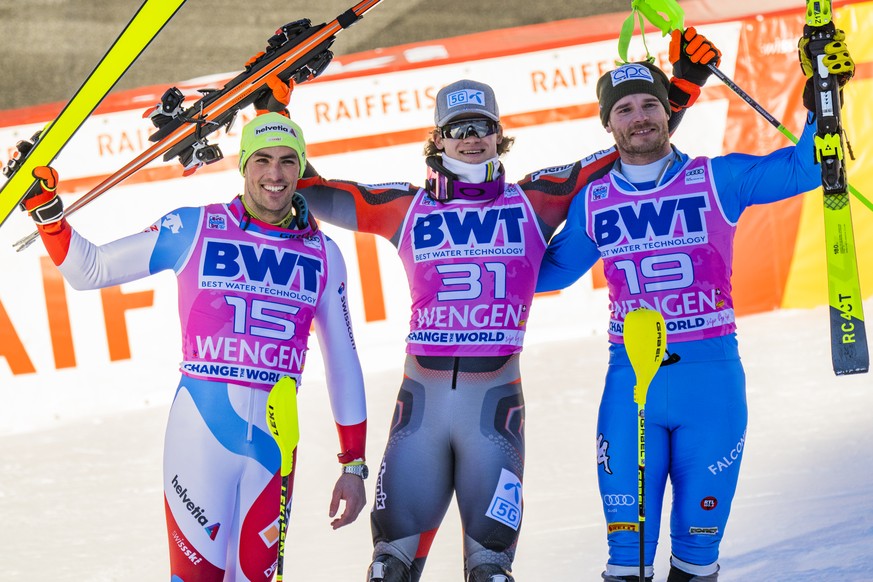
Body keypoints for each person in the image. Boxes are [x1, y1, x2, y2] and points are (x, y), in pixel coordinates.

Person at [284, 29, 720, 582]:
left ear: (499, 137)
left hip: (496, 416)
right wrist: (275, 103)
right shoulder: (404, 207)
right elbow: (304, 187)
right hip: (418, 413)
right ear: (438, 140)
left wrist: (680, 86)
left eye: (483, 128)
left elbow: (633, 142)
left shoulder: (535, 198)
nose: (472, 139)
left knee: (490, 571)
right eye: (459, 129)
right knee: (388, 569)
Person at [534, 30, 855, 582]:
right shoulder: (595, 201)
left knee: (695, 562)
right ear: (608, 125)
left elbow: (806, 168)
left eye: (650, 104)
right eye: (626, 109)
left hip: (712, 386)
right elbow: (542, 275)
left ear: (667, 112)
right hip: (631, 388)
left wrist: (822, 90)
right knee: (627, 564)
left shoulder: (716, 178)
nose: (640, 117)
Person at [6, 112, 369, 581]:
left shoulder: (324, 253)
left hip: (276, 445)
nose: (275, 175)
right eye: (262, 160)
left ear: (300, 168)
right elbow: (90, 270)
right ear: (243, 166)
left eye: (287, 162)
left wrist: (354, 464)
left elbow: (343, 362)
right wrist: (48, 214)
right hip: (201, 434)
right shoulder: (193, 227)